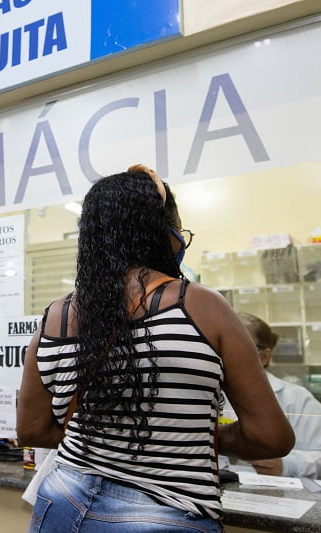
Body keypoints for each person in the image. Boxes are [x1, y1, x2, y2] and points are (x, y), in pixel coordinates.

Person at [17, 165, 295, 531]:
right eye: (179, 229)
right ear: (162, 233)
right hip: (164, 513)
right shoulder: (203, 307)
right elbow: (271, 437)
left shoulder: (57, 316)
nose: (181, 239)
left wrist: (105, 437)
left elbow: (32, 430)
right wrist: (195, 435)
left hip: (62, 501)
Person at [219, 313, 321, 480]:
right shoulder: (207, 395)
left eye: (236, 346)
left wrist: (288, 465)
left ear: (264, 356)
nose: (224, 354)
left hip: (279, 497)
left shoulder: (295, 397)